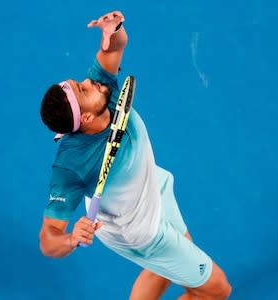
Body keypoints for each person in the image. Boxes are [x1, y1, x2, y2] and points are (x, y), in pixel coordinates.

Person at [38, 10, 232, 300]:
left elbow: (116, 45)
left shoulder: (102, 90)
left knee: (166, 267)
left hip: (153, 187)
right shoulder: (71, 166)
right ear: (87, 118)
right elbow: (48, 240)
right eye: (83, 89)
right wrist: (70, 238)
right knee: (216, 289)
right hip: (139, 230)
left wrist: (113, 29)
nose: (90, 81)